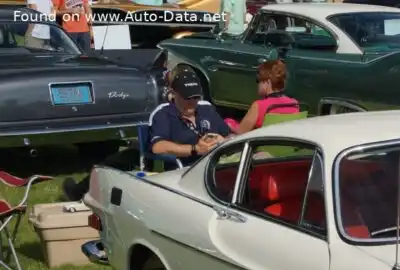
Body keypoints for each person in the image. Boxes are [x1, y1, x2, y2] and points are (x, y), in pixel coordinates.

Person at [62, 68, 233, 201]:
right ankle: (79, 190)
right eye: (187, 97)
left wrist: (223, 140)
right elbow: (158, 147)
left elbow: (230, 135)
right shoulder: (164, 113)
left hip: (213, 167)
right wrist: (195, 149)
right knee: (117, 162)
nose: (192, 102)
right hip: (179, 170)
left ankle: (78, 189)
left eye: (195, 97)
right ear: (173, 93)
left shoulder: (206, 109)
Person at [225, 59, 300, 134]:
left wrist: (229, 123)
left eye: (258, 80)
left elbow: (241, 132)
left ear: (267, 81)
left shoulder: (259, 106)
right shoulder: (294, 104)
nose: (258, 84)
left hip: (262, 141)